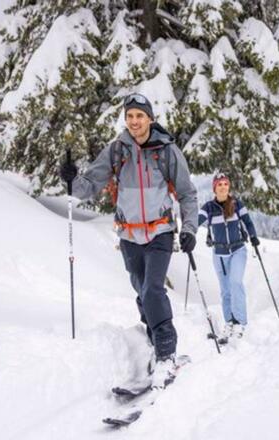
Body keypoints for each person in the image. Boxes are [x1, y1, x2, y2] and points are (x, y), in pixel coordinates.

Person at [59, 93, 198, 388]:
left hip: (160, 232)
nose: (134, 121)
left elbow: (187, 193)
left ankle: (167, 354)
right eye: (130, 116)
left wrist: (189, 229)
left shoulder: (167, 151)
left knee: (152, 290)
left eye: (140, 116)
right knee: (142, 291)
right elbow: (89, 186)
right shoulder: (117, 150)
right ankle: (153, 342)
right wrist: (71, 179)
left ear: (150, 118)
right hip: (129, 236)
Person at [197, 172, 260, 344]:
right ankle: (229, 322)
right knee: (225, 290)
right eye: (219, 184)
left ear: (229, 186)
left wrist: (253, 236)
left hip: (238, 250)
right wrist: (187, 233)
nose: (223, 187)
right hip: (219, 253)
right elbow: (196, 221)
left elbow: (248, 222)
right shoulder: (208, 208)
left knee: (235, 282)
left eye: (225, 184)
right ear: (214, 188)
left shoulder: (237, 205)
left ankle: (240, 322)